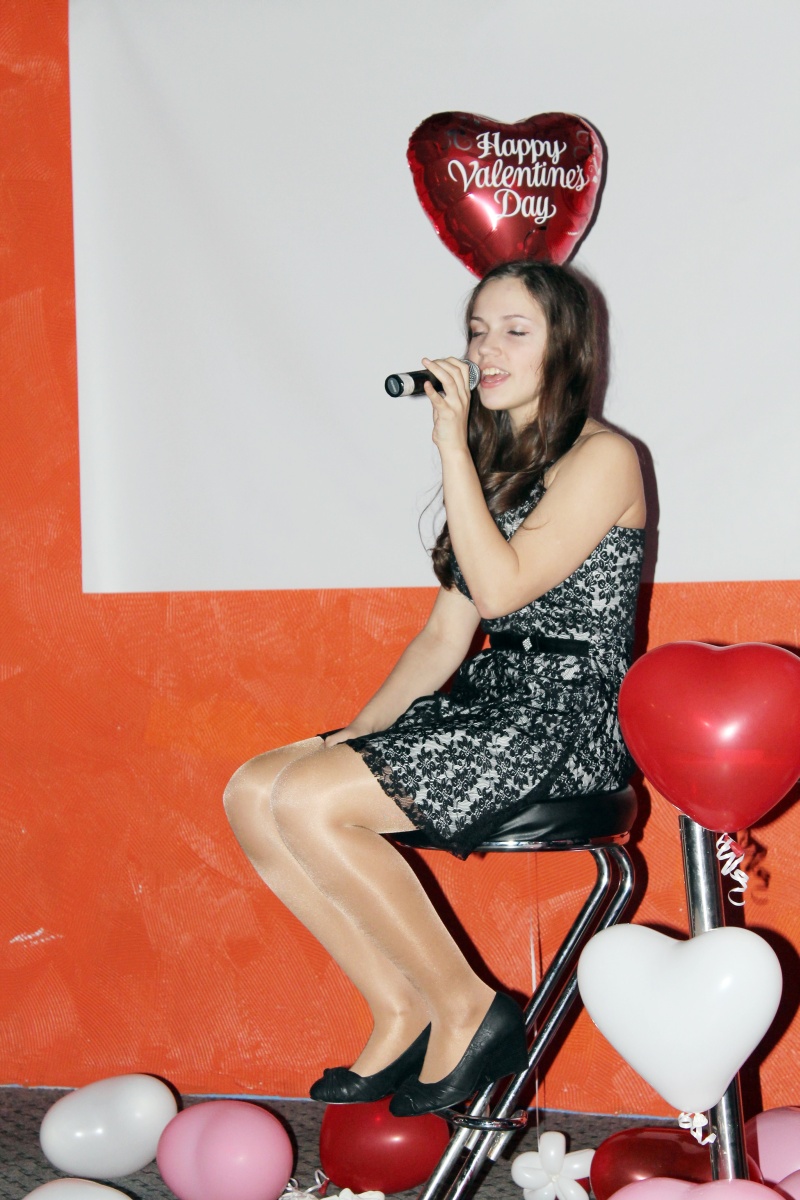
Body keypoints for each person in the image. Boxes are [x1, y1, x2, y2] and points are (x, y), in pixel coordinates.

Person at [223, 259, 646, 1117]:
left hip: (565, 722)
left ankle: (467, 1006)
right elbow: (445, 635)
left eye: (515, 332)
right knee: (256, 789)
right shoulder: (502, 465)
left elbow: (500, 592)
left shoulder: (606, 456)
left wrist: (453, 446)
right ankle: (399, 1006)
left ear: (567, 347)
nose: (487, 350)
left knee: (309, 801)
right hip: (493, 706)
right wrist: (357, 732)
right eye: (478, 331)